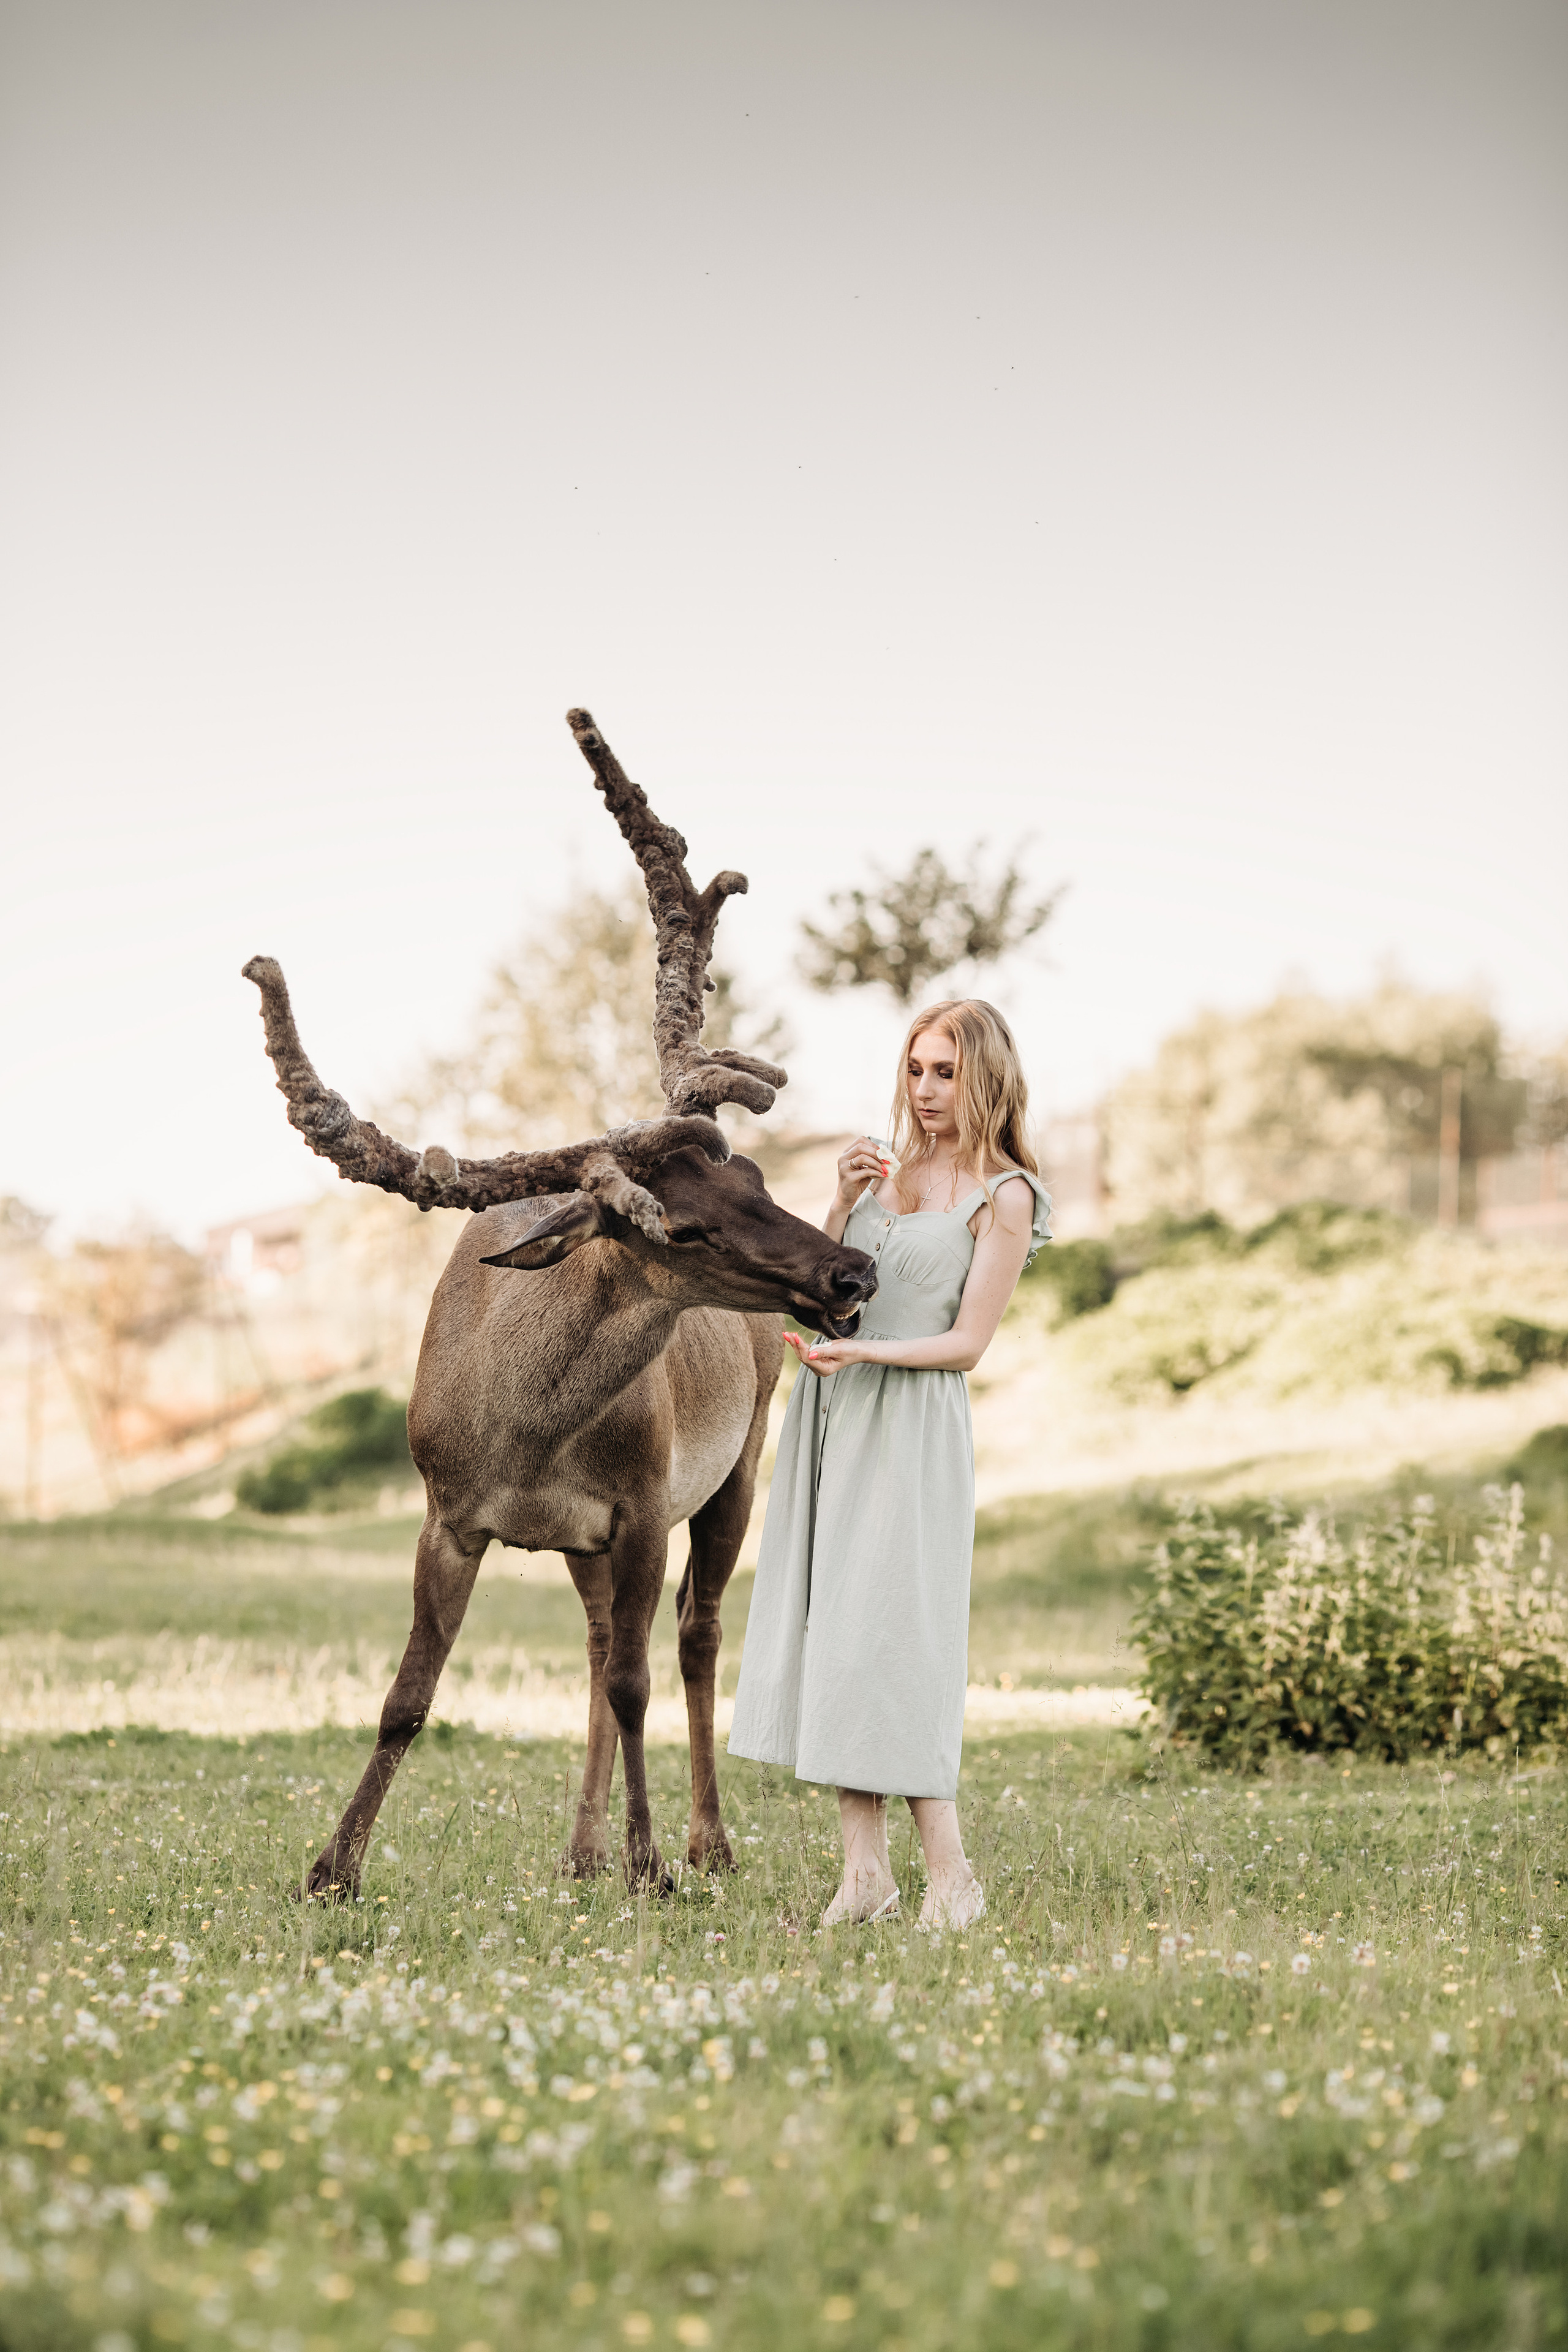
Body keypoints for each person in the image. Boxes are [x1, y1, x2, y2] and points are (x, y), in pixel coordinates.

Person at [727, 998, 1052, 1929]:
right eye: (916, 1069)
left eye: (945, 1071)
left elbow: (967, 1343)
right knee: (838, 1636)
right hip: (836, 1416)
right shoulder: (885, 1177)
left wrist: (866, 1356)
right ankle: (864, 1874)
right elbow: (822, 1286)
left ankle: (952, 1880)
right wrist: (835, 1204)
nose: (926, 1090)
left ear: (984, 1075)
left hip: (911, 1427)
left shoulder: (1007, 1196)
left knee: (893, 1642)